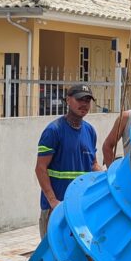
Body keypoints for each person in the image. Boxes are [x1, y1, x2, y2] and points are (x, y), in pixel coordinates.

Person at [35, 84, 102, 238]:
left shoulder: (90, 131)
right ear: (68, 100)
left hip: (80, 208)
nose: (84, 104)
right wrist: (53, 201)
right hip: (56, 208)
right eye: (79, 99)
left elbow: (93, 165)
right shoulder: (53, 131)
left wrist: (108, 176)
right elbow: (40, 168)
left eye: (87, 100)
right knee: (53, 254)